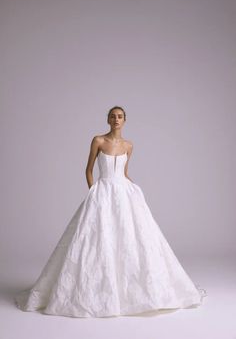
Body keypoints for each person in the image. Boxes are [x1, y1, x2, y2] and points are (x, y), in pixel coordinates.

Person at [15, 106, 207, 318]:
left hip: (125, 194)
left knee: (129, 240)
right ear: (107, 119)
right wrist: (94, 192)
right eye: (113, 116)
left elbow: (124, 173)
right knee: (97, 241)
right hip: (102, 193)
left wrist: (136, 193)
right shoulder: (98, 140)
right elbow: (88, 170)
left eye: (120, 117)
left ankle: (129, 294)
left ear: (125, 120)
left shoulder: (129, 145)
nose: (116, 119)